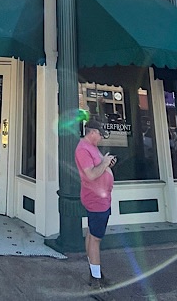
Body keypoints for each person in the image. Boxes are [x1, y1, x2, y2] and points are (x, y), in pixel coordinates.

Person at [75, 118, 116, 288]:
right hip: (96, 199)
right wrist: (105, 163)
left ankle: (94, 269)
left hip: (101, 198)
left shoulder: (92, 147)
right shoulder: (83, 149)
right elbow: (91, 175)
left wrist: (107, 164)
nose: (101, 138)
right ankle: (96, 278)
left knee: (92, 234)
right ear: (92, 132)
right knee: (96, 239)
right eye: (100, 134)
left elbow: (98, 168)